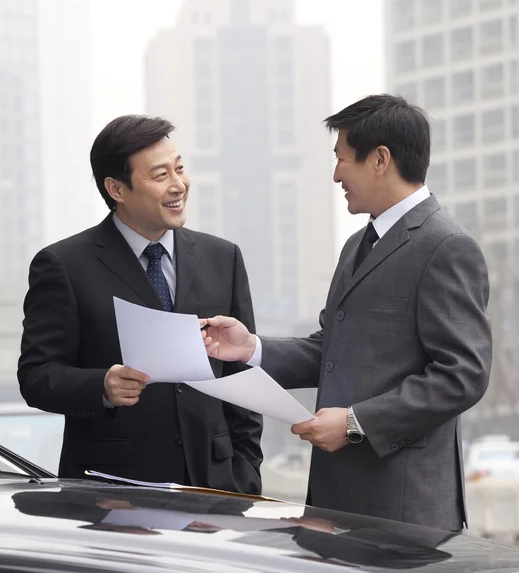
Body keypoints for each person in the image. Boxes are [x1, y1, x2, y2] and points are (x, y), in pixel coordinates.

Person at [201, 94, 492, 530]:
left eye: (342, 159)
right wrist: (251, 349)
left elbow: (463, 375)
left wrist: (357, 424)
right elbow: (332, 349)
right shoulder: (357, 245)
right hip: (337, 499)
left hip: (403, 505)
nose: (336, 174)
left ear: (380, 159)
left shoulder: (446, 246)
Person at [17, 115, 262, 494]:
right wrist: (100, 385)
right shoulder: (64, 265)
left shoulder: (222, 257)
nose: (179, 184)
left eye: (179, 169)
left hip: (214, 489)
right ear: (117, 188)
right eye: (160, 175)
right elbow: (36, 376)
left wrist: (245, 473)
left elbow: (241, 374)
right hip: (112, 493)